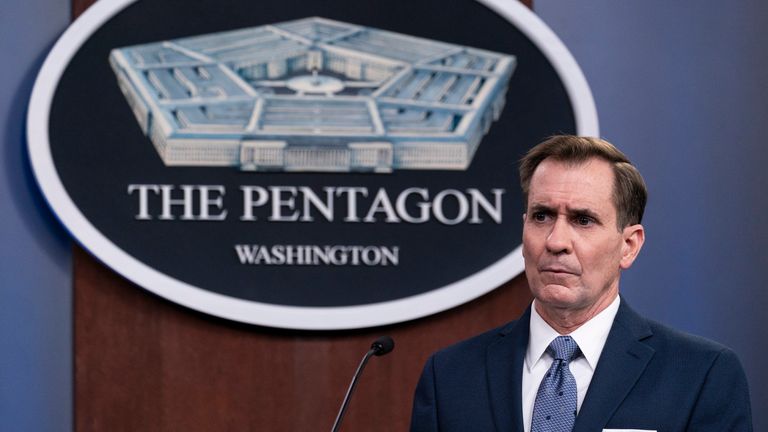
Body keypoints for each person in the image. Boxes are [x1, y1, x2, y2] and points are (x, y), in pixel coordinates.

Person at [410, 135, 752, 431]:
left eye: (583, 220)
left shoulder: (701, 374)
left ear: (628, 246)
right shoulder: (450, 376)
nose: (556, 241)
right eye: (542, 216)